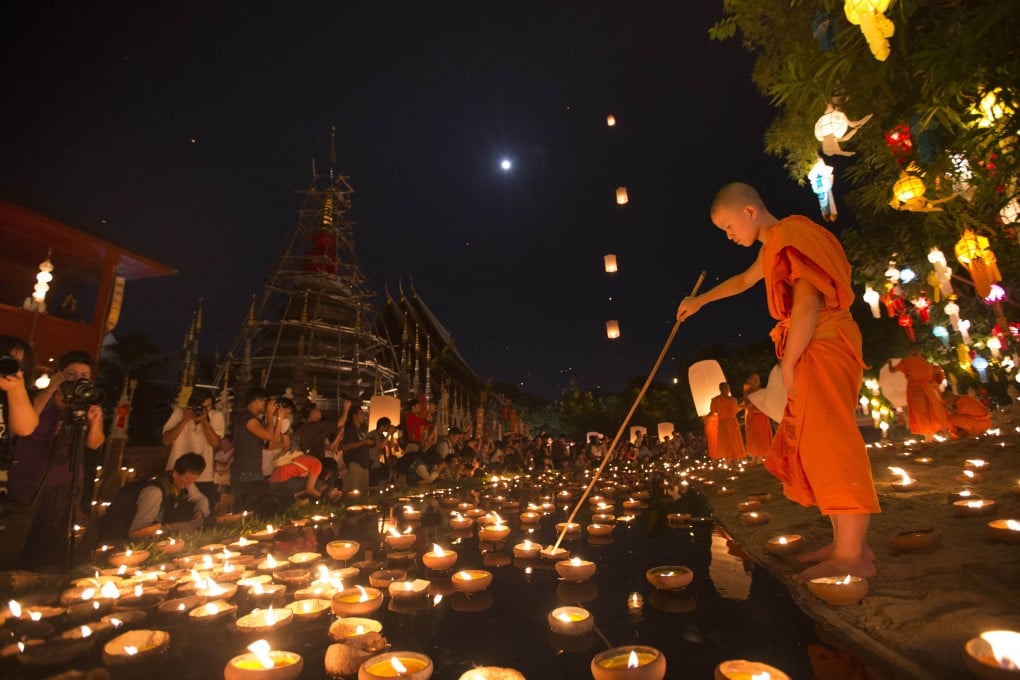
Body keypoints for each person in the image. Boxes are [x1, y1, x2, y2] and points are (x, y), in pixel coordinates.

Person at [676, 182, 880, 581]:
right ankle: (847, 546)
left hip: (820, 341)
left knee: (831, 440)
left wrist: (789, 361)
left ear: (750, 211)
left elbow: (807, 299)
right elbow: (744, 281)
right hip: (811, 342)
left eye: (728, 226)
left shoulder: (793, 233)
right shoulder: (775, 247)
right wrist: (700, 302)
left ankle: (852, 555)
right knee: (818, 444)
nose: (729, 235)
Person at [7, 350, 106, 571]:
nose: (77, 379)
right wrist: (52, 388)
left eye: (84, 376)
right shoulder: (39, 397)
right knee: (17, 542)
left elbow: (94, 444)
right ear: (60, 374)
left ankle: (40, 584)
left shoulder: (85, 406)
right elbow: (24, 426)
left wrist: (96, 421)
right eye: (71, 373)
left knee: (50, 548)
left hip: (65, 487)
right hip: (30, 485)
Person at [100, 452, 210, 543]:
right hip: (122, 539)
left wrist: (199, 511)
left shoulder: (183, 483)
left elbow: (200, 499)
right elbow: (137, 531)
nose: (190, 483)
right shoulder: (154, 492)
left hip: (156, 534)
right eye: (187, 479)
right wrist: (174, 528)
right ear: (175, 473)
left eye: (194, 480)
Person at [161, 388, 224, 504]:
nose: (203, 410)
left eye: (208, 407)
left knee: (202, 509)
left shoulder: (216, 416)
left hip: (203, 475)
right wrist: (185, 420)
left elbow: (215, 443)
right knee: (173, 508)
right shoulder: (180, 413)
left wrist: (205, 421)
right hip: (178, 473)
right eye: (199, 406)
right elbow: (166, 440)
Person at [232, 388, 286, 513]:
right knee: (245, 509)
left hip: (253, 471)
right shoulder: (246, 417)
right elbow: (268, 435)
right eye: (265, 402)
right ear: (257, 401)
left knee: (254, 508)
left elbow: (272, 440)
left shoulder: (253, 419)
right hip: (245, 472)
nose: (267, 405)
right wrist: (268, 415)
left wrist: (278, 419)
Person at [888, 346, 949, 442]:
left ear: (910, 352)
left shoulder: (907, 361)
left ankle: (928, 436)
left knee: (920, 413)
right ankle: (931, 434)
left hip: (915, 389)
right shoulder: (926, 363)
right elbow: (938, 375)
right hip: (928, 388)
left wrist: (890, 364)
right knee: (931, 411)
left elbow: (892, 371)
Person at [339, 407, 374, 497]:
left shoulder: (361, 430)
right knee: (353, 493)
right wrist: (364, 442)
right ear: (354, 416)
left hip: (364, 465)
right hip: (354, 464)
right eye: (361, 414)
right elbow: (346, 447)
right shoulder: (350, 429)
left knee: (363, 494)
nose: (364, 416)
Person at [708, 383, 746, 462]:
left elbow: (712, 412)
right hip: (728, 422)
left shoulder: (718, 400)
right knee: (729, 440)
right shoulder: (730, 400)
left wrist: (706, 418)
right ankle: (731, 459)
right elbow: (736, 410)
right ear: (722, 389)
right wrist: (743, 406)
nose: (727, 390)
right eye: (726, 388)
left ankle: (731, 459)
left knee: (729, 440)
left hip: (727, 422)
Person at [742, 373, 773, 464]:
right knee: (753, 437)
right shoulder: (747, 392)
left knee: (761, 436)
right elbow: (746, 405)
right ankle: (754, 456)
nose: (756, 381)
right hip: (751, 417)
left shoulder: (763, 391)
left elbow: (767, 404)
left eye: (757, 379)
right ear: (749, 381)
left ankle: (760, 456)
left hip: (761, 416)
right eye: (754, 379)